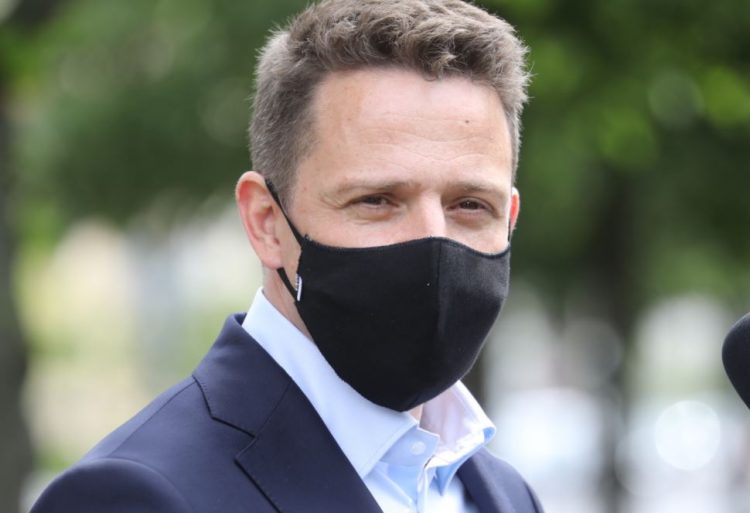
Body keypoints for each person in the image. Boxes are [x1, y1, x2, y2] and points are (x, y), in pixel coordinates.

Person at [30, 0, 543, 512]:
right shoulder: (132, 495)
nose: (433, 239)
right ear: (265, 221)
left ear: (510, 219)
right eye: (376, 200)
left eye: (470, 205)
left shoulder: (507, 495)